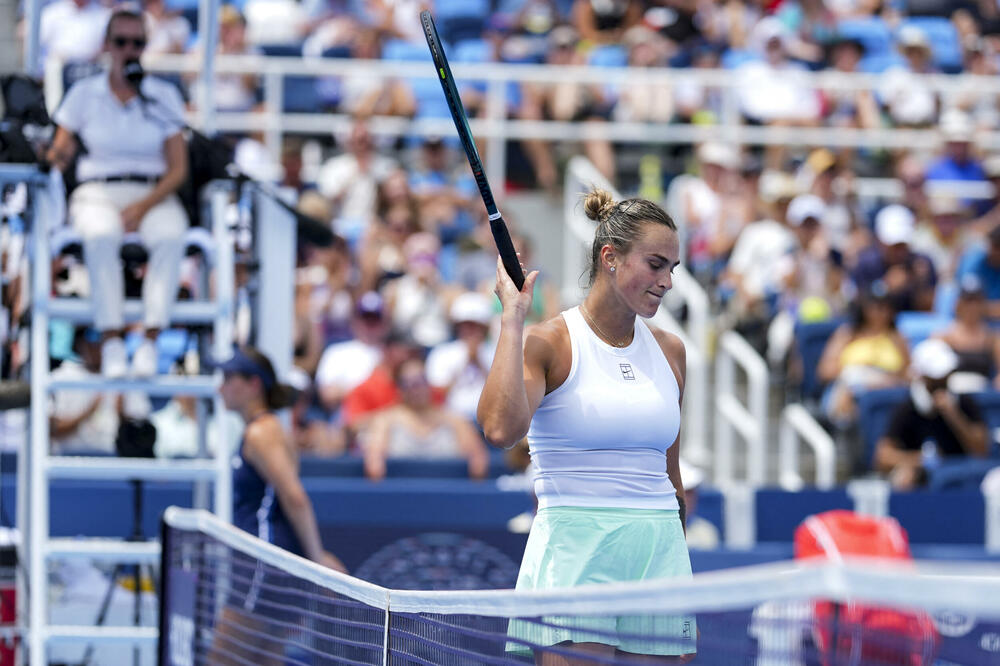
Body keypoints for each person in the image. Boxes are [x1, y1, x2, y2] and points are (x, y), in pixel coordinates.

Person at [479, 189, 697, 662]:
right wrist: (512, 320)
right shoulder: (548, 342)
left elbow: (670, 474)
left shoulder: (672, 351)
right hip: (575, 550)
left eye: (673, 269)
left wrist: (676, 566)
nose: (667, 281)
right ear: (610, 257)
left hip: (658, 550)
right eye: (656, 264)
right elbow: (500, 429)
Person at [46, 8, 189, 379]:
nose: (129, 49)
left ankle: (150, 340)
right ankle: (111, 339)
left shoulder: (163, 96)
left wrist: (144, 206)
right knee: (99, 234)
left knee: (172, 235)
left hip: (152, 193)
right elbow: (58, 154)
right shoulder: (83, 93)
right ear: (107, 45)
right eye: (121, 41)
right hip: (98, 191)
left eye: (137, 42)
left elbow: (179, 168)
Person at [210, 346, 346, 665]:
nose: (221, 387)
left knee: (222, 659)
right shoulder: (271, 428)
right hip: (272, 562)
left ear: (253, 385)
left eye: (229, 378)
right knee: (265, 659)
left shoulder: (261, 432)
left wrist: (316, 559)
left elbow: (293, 497)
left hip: (263, 563)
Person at [875, 338, 989, 491]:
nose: (941, 381)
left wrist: (954, 416)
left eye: (945, 375)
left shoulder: (964, 401)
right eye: (936, 378)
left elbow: (981, 451)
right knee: (904, 477)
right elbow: (883, 457)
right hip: (921, 478)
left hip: (962, 478)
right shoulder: (906, 408)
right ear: (922, 377)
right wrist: (919, 460)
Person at [363, 357, 489, 481]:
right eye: (408, 383)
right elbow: (375, 468)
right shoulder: (384, 421)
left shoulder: (456, 420)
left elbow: (478, 463)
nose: (416, 389)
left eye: (420, 381)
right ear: (399, 388)